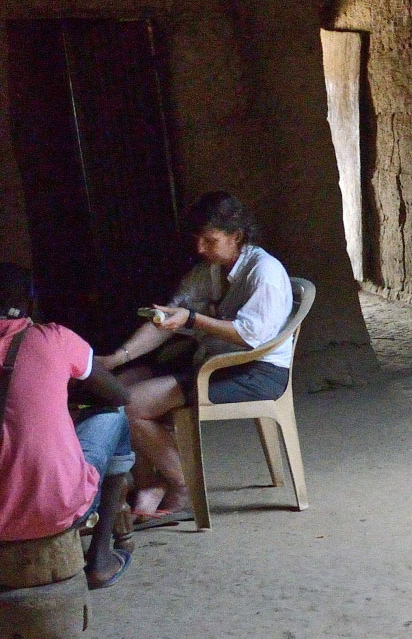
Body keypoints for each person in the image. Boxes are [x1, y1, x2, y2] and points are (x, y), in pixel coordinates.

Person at [100, 192, 296, 525]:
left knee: (132, 405)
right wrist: (119, 358)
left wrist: (192, 319)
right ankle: (153, 482)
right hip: (215, 361)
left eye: (210, 240)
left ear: (236, 236)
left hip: (254, 371)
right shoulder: (212, 270)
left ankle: (181, 483)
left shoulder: (264, 272)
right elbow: (167, 321)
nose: (200, 248)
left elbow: (250, 336)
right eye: (198, 239)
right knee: (117, 387)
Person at [0, 264, 136, 588]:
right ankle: (100, 558)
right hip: (56, 507)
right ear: (31, 304)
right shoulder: (53, 337)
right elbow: (119, 394)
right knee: (114, 416)